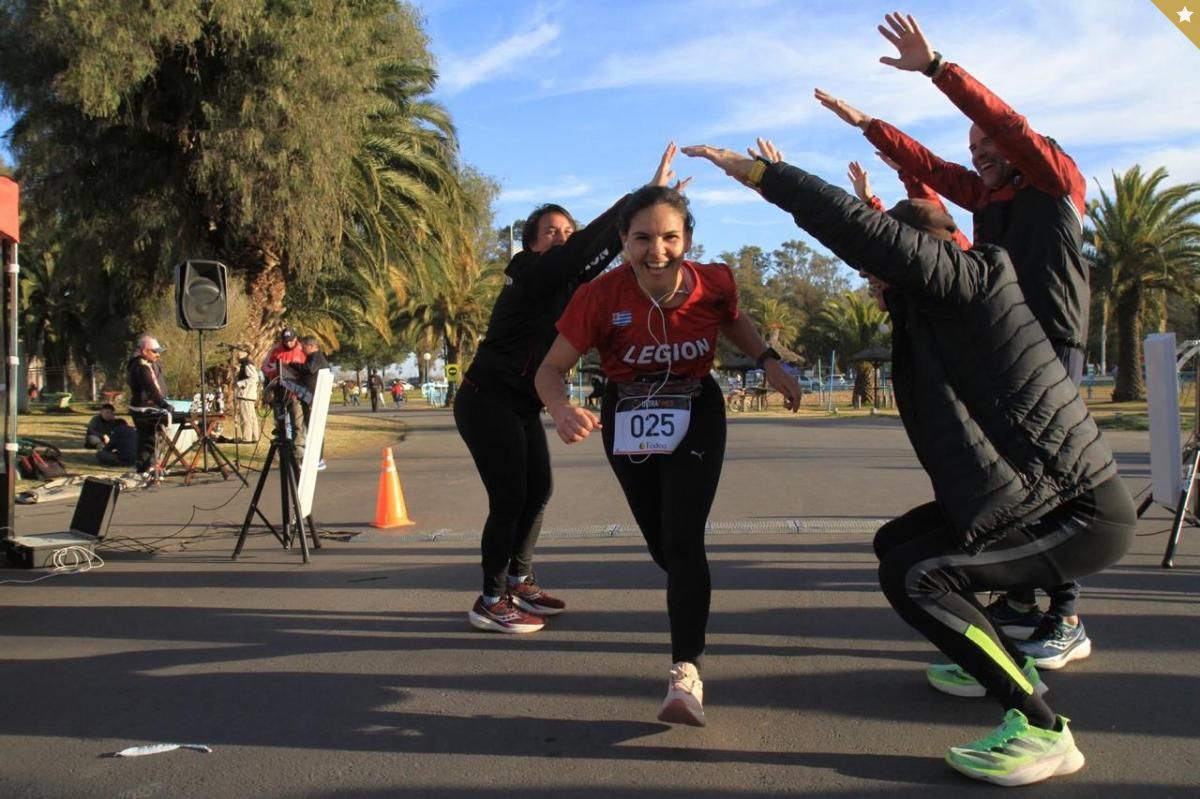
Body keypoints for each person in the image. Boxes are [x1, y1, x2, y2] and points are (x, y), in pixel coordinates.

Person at [684, 140, 1135, 786]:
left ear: (918, 257)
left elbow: (868, 236)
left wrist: (768, 178)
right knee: (896, 543)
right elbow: (874, 242)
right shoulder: (935, 309)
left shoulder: (973, 282)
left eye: (880, 268)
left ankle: (1040, 725)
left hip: (1078, 510)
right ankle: (1001, 658)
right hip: (1037, 495)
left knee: (917, 574)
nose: (869, 280)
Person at [815, 12, 1092, 668]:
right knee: (1013, 474)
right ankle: (1024, 597)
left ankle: (1068, 612)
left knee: (1052, 475)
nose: (979, 155)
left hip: (1051, 339)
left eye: (987, 146)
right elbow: (932, 175)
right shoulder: (985, 199)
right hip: (1006, 342)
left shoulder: (1054, 181)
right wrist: (869, 127)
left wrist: (937, 68)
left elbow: (1006, 127)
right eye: (973, 150)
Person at [536, 184, 802, 728]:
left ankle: (686, 671)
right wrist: (561, 409)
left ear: (688, 239)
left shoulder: (716, 281)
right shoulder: (599, 296)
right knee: (664, 544)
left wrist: (768, 359)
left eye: (669, 237)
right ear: (623, 241)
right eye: (642, 239)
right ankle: (687, 584)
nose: (657, 251)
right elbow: (549, 369)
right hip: (627, 415)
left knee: (683, 539)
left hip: (695, 410)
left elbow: (731, 319)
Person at [455, 144, 684, 637]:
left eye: (566, 230)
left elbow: (606, 255)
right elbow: (584, 253)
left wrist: (653, 218)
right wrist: (640, 195)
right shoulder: (531, 275)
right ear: (531, 245)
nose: (561, 237)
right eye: (549, 232)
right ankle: (491, 598)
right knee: (510, 497)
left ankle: (519, 578)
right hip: (486, 400)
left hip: (519, 405)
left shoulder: (569, 282)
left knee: (539, 492)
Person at [126, 333, 172, 475]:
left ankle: (150, 467)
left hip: (152, 406)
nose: (158, 355)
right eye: (155, 352)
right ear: (145, 351)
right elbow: (151, 389)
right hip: (143, 409)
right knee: (147, 440)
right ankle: (145, 469)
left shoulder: (150, 363)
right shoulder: (139, 365)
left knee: (151, 439)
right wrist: (164, 405)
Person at [262, 328, 309, 460]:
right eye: (285, 341)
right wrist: (276, 370)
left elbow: (307, 368)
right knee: (279, 423)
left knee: (298, 424)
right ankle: (280, 452)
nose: (288, 344)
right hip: (279, 393)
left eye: (291, 341)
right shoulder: (275, 350)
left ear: (295, 339)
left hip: (296, 394)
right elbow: (265, 367)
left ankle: (298, 451)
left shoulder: (302, 350)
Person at [299, 335, 329, 470]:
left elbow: (310, 369)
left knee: (315, 428)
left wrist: (294, 366)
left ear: (311, 346)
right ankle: (314, 457)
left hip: (314, 399)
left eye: (303, 347)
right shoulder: (312, 357)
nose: (301, 350)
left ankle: (318, 459)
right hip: (309, 398)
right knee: (310, 428)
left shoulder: (316, 357)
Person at [233, 347, 261, 444]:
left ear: (246, 353)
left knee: (246, 417)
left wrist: (240, 383)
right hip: (246, 395)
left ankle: (247, 437)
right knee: (251, 417)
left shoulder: (247, 364)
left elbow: (254, 378)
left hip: (246, 395)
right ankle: (254, 436)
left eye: (240, 351)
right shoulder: (244, 365)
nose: (238, 354)